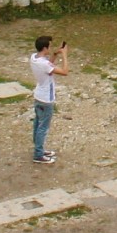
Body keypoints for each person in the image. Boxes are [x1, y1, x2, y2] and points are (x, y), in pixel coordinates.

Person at [29, 35, 67, 165]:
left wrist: (56, 54)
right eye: (50, 46)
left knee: (37, 124)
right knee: (43, 128)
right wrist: (65, 55)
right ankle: (38, 154)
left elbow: (48, 67)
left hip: (39, 96)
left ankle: (38, 148)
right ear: (45, 48)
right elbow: (64, 71)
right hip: (46, 99)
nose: (51, 48)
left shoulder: (34, 58)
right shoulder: (43, 63)